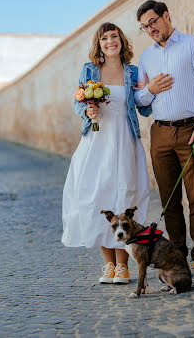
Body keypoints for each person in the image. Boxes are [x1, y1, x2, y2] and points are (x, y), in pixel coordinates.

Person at [61, 22, 151, 284]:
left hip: (124, 141)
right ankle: (109, 265)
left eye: (114, 36)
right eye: (104, 38)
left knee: (125, 195)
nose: (110, 41)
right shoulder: (90, 70)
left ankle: (123, 266)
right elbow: (78, 103)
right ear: (98, 44)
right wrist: (87, 111)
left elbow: (144, 107)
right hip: (96, 141)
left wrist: (149, 89)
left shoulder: (133, 72)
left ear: (121, 40)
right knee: (96, 198)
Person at [134, 0, 194, 278]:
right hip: (159, 133)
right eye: (145, 27)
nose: (150, 29)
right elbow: (140, 99)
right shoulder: (146, 57)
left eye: (153, 22)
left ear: (166, 16)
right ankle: (179, 254)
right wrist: (151, 90)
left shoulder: (193, 45)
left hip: (191, 129)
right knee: (169, 199)